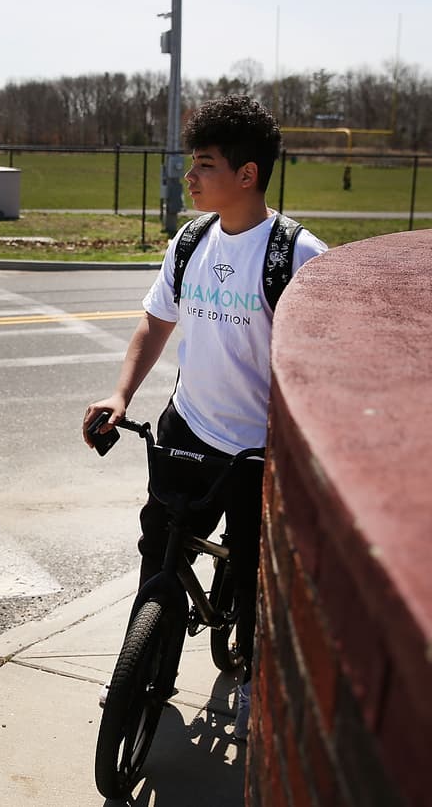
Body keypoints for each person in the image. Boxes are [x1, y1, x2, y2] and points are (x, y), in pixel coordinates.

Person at [82, 95, 326, 740]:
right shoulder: (191, 241)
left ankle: (249, 679)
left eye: (205, 164)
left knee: (251, 577)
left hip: (256, 451)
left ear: (247, 174)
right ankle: (144, 665)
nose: (189, 177)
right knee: (157, 548)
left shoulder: (298, 258)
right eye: (192, 163)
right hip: (187, 427)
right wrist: (121, 395)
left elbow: (323, 368)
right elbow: (157, 320)